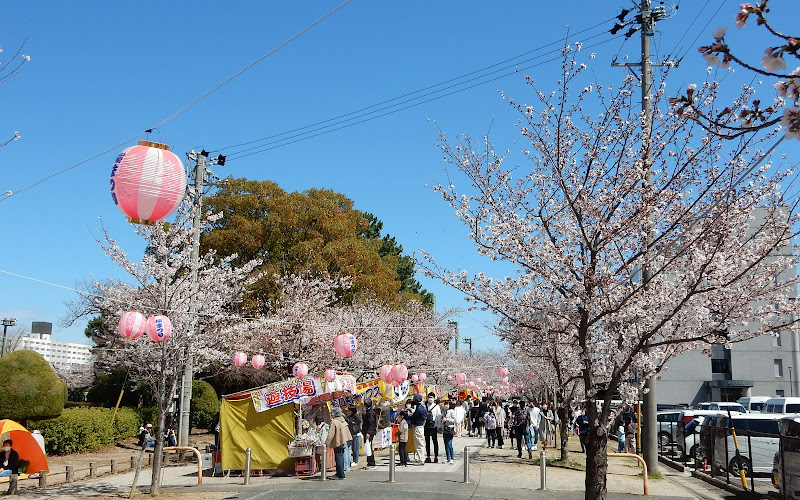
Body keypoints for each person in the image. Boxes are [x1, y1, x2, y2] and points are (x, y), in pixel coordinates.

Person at [325, 407, 352, 480]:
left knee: (338, 457)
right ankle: (339, 473)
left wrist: (326, 443)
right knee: (341, 457)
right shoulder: (343, 420)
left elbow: (331, 434)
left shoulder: (334, 422)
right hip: (343, 441)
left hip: (338, 441)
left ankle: (341, 475)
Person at [408, 393, 427, 465]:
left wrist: (407, 416)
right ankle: (421, 458)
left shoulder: (419, 408)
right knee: (420, 444)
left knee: (419, 444)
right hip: (421, 427)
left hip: (418, 427)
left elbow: (414, 417)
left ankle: (421, 459)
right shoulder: (423, 406)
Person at [423, 392, 441, 463]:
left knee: (435, 441)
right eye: (429, 397)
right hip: (426, 426)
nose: (430, 399)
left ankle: (436, 456)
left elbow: (438, 417)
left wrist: (439, 426)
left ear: (434, 398)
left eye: (431, 397)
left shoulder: (436, 406)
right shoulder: (424, 406)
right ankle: (428, 456)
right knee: (427, 442)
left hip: (434, 426)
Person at [362, 399, 378, 470]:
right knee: (368, 446)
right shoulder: (370, 411)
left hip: (369, 432)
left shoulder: (370, 413)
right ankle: (369, 462)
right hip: (369, 432)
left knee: (369, 447)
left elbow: (371, 423)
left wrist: (368, 432)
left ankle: (371, 462)